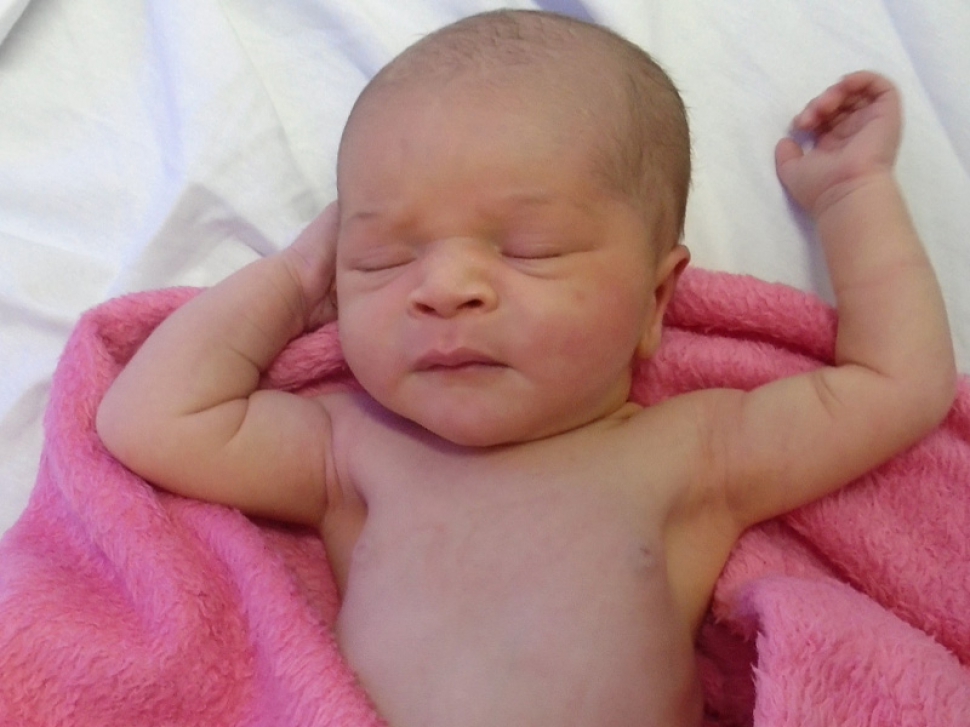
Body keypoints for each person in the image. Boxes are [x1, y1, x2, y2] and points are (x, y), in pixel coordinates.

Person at [95, 9, 957, 727]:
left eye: (530, 248)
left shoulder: (695, 450)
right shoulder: (349, 451)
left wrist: (852, 195)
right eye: (384, 259)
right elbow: (152, 420)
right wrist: (293, 278)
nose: (444, 288)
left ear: (656, 300)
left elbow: (897, 384)